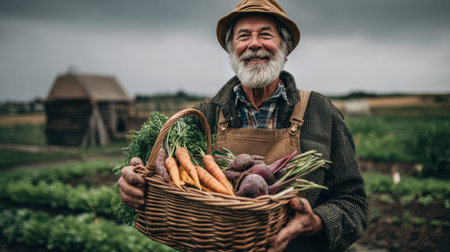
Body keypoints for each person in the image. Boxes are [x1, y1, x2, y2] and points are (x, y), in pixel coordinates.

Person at [118, 0, 368, 251]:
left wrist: (315, 222)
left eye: (266, 35)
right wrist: (137, 181)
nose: (254, 44)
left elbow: (353, 203)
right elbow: (164, 180)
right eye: (243, 36)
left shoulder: (320, 113)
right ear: (232, 49)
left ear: (286, 46)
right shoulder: (204, 115)